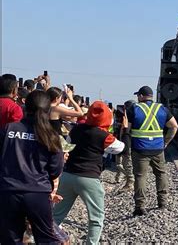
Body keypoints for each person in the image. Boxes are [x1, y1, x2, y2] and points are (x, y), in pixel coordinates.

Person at [53, 101, 126, 244]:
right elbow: (120, 148)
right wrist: (125, 131)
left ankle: (46, 240)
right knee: (96, 218)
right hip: (89, 178)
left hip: (68, 176)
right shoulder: (103, 135)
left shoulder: (76, 130)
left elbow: (68, 146)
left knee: (56, 215)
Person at [0, 90, 64, 244]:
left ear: (24, 106)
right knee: (47, 239)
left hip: (8, 192)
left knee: (10, 239)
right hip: (38, 193)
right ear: (48, 109)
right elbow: (56, 169)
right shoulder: (50, 135)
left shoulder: (8, 129)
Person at [124, 86, 178, 216]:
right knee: (161, 174)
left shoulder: (134, 109)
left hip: (140, 149)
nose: (137, 98)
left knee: (140, 176)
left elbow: (127, 129)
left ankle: (140, 206)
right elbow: (174, 126)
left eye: (138, 96)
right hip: (158, 149)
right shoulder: (162, 108)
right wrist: (165, 142)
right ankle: (162, 202)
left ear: (142, 96)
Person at [115, 100, 136, 191]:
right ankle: (125, 178)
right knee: (124, 163)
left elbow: (125, 130)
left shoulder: (129, 118)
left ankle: (130, 181)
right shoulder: (135, 117)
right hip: (125, 142)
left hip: (126, 142)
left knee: (126, 163)